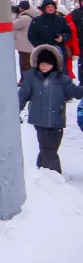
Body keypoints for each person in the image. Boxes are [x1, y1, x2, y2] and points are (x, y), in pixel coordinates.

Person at [18, 44, 83, 174]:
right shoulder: (32, 79)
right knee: (48, 148)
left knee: (51, 147)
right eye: (42, 63)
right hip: (39, 120)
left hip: (57, 119)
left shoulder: (63, 80)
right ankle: (55, 175)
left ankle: (41, 170)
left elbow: (76, 93)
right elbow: (22, 95)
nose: (44, 66)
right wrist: (16, 109)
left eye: (47, 63)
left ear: (55, 64)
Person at [28, 0, 71, 71]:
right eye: (48, 7)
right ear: (44, 8)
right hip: (43, 50)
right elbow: (31, 35)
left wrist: (63, 37)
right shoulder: (37, 20)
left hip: (58, 49)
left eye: (52, 6)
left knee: (60, 71)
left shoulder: (61, 19)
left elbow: (68, 32)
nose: (51, 8)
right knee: (44, 72)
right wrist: (39, 46)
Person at [14, 0, 38, 86]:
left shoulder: (24, 18)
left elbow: (13, 25)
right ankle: (25, 80)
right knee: (26, 63)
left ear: (21, 8)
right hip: (27, 44)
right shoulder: (31, 15)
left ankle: (27, 81)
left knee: (25, 64)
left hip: (24, 45)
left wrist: (13, 17)